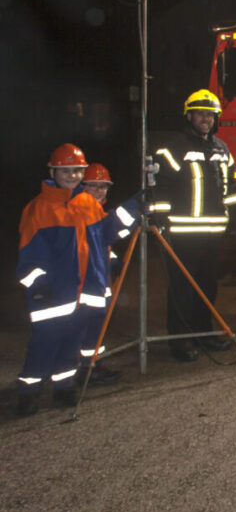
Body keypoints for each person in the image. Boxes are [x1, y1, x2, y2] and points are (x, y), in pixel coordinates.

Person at [15, 145, 140, 416]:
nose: (71, 176)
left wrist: (135, 206)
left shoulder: (87, 204)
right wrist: (38, 285)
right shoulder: (38, 208)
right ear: (53, 172)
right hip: (52, 295)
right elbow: (28, 255)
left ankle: (64, 386)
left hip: (84, 294)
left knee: (71, 343)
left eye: (76, 171)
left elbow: (108, 232)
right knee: (44, 344)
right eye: (66, 171)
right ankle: (28, 392)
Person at [151, 89, 236, 361]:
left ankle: (203, 335)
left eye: (211, 115)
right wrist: (161, 222)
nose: (206, 119)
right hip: (182, 234)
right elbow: (160, 191)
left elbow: (231, 188)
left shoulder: (221, 149)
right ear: (189, 116)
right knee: (181, 289)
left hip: (212, 234)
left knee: (207, 287)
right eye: (201, 114)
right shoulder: (171, 149)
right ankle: (179, 341)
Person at [76, 163, 132, 386]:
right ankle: (83, 369)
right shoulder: (80, 208)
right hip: (85, 284)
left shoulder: (95, 209)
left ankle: (93, 364)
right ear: (83, 186)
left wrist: (114, 261)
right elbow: (93, 240)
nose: (100, 191)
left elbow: (102, 246)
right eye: (94, 186)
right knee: (84, 330)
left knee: (95, 331)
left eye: (104, 187)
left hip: (98, 282)